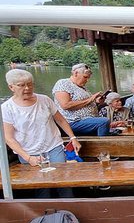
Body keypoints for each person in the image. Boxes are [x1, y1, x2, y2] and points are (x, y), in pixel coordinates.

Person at [2, 69, 81, 198]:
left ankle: (70, 209)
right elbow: (9, 138)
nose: (27, 88)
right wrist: (28, 158)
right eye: (21, 85)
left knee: (63, 180)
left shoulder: (44, 100)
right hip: (29, 151)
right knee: (41, 185)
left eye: (30, 84)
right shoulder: (7, 108)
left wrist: (73, 138)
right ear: (11, 87)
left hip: (53, 146)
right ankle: (46, 214)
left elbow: (60, 119)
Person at [52, 63, 110, 136]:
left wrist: (97, 102)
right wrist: (91, 99)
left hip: (88, 120)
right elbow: (65, 105)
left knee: (109, 127)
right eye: (85, 77)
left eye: (88, 78)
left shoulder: (82, 87)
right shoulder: (63, 83)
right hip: (73, 122)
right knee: (104, 122)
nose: (87, 80)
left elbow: (86, 103)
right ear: (76, 73)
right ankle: (102, 146)